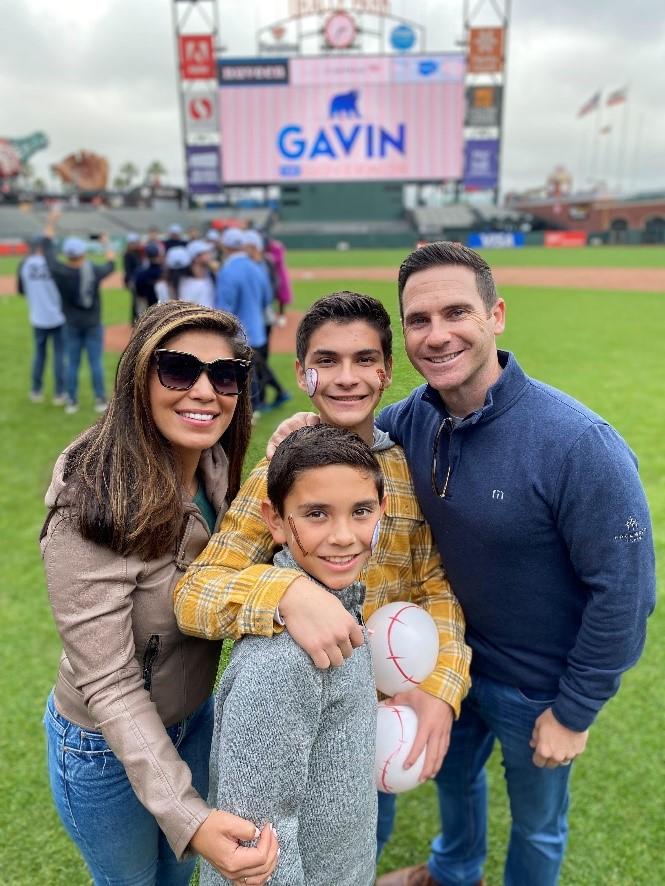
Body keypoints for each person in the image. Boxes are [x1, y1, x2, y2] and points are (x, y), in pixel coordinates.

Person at [267, 243, 656, 886]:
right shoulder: (410, 421)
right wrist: (309, 427)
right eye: (419, 320)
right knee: (457, 786)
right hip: (444, 664)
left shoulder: (578, 442)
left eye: (457, 312)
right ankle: (454, 872)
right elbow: (356, 442)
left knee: (537, 823)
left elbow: (626, 589)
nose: (437, 334)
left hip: (539, 688)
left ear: (496, 314)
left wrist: (575, 711)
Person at [174, 291, 471, 854]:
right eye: (327, 361)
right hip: (296, 716)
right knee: (287, 841)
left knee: (364, 840)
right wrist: (284, 591)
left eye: (364, 360)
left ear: (386, 372)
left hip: (379, 717)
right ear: (302, 373)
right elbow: (196, 592)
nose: (346, 378)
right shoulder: (280, 473)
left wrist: (439, 686)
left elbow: (433, 581)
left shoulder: (404, 467)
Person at [41, 301, 279, 886]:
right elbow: (109, 681)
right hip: (104, 745)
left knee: (178, 880)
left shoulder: (215, 463)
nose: (205, 391)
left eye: (225, 376)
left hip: (194, 720)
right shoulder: (91, 499)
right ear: (139, 379)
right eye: (179, 370)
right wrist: (188, 816)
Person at [201, 424, 384, 886]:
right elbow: (256, 843)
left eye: (361, 511)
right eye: (316, 514)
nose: (343, 536)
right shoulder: (280, 663)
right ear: (275, 520)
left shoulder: (342, 605)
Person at [42, 218, 115, 415]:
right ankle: (100, 399)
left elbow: (47, 251)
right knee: (95, 362)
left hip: (71, 324)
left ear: (67, 255)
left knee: (72, 363)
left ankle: (71, 401)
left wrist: (50, 224)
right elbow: (111, 263)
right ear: (83, 253)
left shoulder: (60, 271)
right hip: (92, 323)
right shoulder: (93, 271)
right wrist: (105, 242)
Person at [215, 227, 272, 416]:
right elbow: (267, 298)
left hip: (238, 332)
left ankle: (249, 411)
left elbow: (224, 309)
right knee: (252, 371)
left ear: (225, 246)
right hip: (257, 330)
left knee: (241, 374)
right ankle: (255, 407)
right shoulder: (256, 267)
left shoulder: (228, 271)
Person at [242, 228, 290, 410]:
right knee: (259, 360)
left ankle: (266, 396)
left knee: (258, 360)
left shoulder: (261, 264)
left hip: (261, 319)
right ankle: (271, 394)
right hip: (260, 318)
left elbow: (269, 291)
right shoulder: (258, 263)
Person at [17, 235, 66, 405]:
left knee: (39, 355)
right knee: (59, 355)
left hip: (38, 318)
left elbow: (21, 290)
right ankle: (59, 393)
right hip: (58, 317)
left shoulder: (25, 265)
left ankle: (36, 390)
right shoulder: (54, 264)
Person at [263, 233, 293, 327]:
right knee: (269, 297)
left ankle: (282, 316)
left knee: (282, 297)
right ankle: (270, 315)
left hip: (279, 274)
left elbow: (277, 259)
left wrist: (267, 256)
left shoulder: (277, 247)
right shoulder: (264, 248)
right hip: (268, 275)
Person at [133, 241, 163, 316]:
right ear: (158, 254)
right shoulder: (163, 271)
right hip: (162, 306)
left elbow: (138, 290)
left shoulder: (141, 272)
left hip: (147, 306)